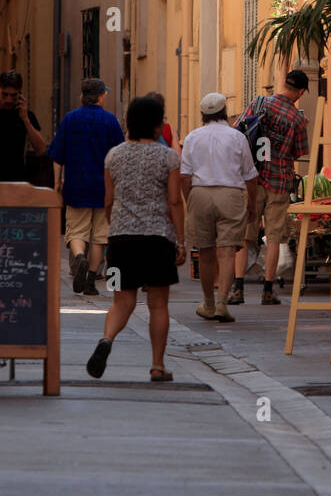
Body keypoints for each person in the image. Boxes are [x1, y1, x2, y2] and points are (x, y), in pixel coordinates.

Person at [86, 95, 185, 382]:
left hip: (121, 239)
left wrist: (113, 227)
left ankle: (106, 339)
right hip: (157, 241)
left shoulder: (113, 155)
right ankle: (157, 365)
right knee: (158, 304)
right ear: (157, 125)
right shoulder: (168, 157)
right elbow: (174, 201)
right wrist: (181, 240)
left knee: (121, 300)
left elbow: (108, 200)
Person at [231, 69, 310, 306]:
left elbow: (238, 130)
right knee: (274, 236)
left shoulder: (259, 102)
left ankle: (238, 289)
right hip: (279, 181)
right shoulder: (297, 119)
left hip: (252, 179)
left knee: (246, 236)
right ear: (301, 92)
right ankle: (267, 290)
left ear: (284, 84)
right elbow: (300, 151)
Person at [180, 92, 259, 323]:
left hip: (200, 193)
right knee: (226, 252)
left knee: (205, 253)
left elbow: (185, 175)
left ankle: (208, 303)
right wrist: (252, 204)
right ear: (224, 111)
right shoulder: (237, 137)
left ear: (203, 113)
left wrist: (190, 199)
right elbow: (250, 175)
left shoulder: (193, 137)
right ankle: (223, 303)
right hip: (231, 194)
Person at [47, 78, 124, 296]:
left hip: (76, 185)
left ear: (82, 97)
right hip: (103, 188)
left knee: (76, 231)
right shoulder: (110, 121)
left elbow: (57, 156)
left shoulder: (70, 119)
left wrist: (56, 184)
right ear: (100, 97)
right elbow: (118, 156)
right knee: (100, 236)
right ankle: (91, 279)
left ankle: (79, 256)